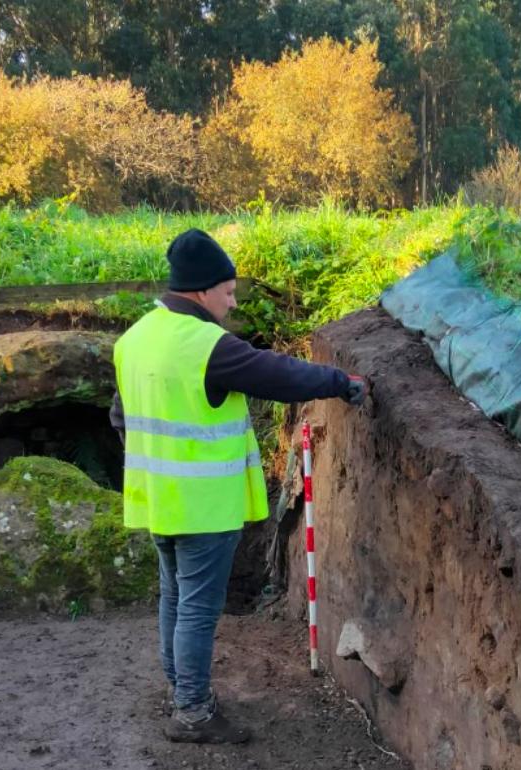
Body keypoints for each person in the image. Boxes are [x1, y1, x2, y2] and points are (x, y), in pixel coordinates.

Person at [110, 228, 367, 744]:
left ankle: (181, 692)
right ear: (201, 291)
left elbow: (120, 417)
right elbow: (279, 375)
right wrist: (342, 383)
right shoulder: (206, 345)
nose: (232, 301)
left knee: (174, 599)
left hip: (159, 500)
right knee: (198, 609)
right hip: (204, 506)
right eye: (228, 291)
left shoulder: (134, 339)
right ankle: (193, 713)